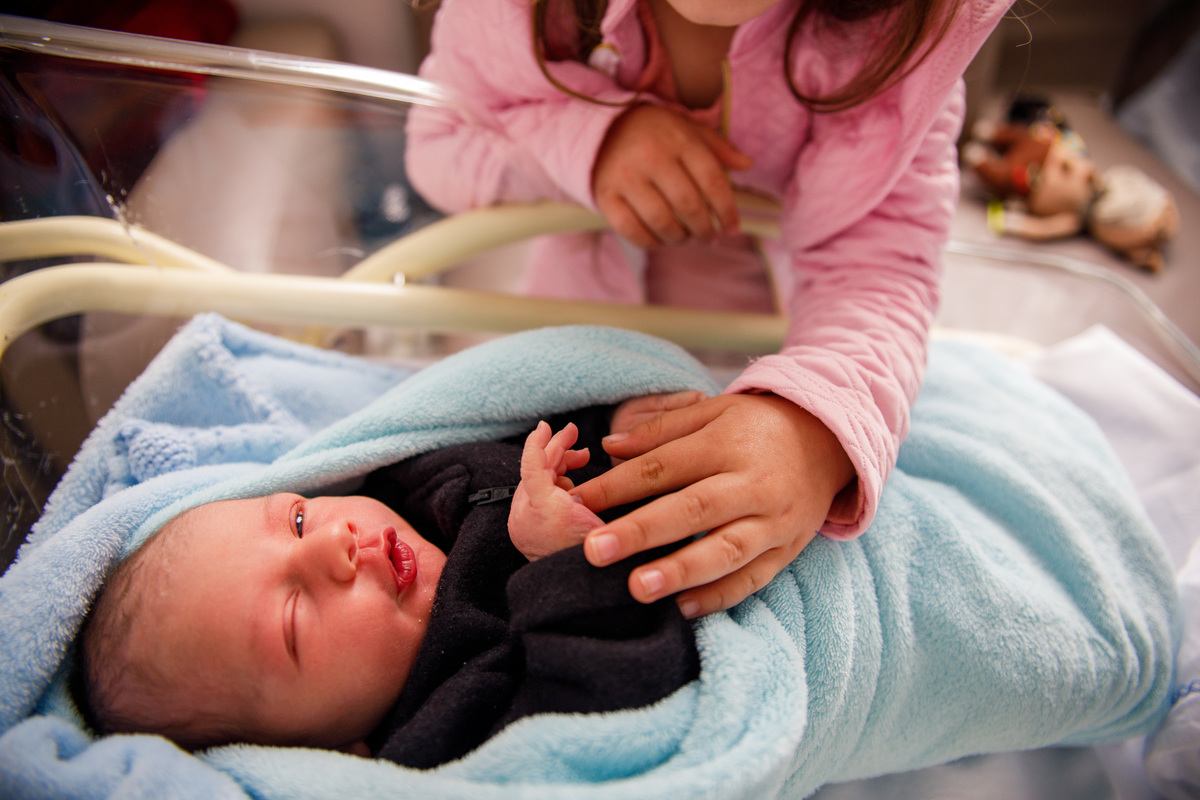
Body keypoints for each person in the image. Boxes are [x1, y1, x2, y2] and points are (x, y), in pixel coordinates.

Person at [405, 0, 1010, 618]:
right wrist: (591, 136)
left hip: (763, 370)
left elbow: (883, 269)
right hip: (572, 352)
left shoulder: (899, 43)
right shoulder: (520, 12)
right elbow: (439, 142)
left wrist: (812, 428)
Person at [72, 393, 704, 767]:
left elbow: (505, 406)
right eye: (294, 620)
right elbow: (616, 709)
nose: (332, 544)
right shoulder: (448, 726)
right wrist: (567, 565)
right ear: (333, 754)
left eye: (297, 520)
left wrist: (614, 416)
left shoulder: (405, 478)